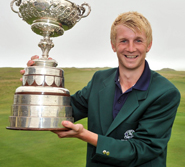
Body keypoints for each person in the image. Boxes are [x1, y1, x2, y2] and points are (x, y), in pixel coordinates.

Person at [22, 11, 181, 167]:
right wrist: (38, 81)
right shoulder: (100, 79)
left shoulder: (165, 93)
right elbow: (62, 112)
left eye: (138, 40)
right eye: (123, 41)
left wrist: (84, 135)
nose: (131, 48)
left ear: (149, 45)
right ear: (113, 45)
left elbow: (141, 149)